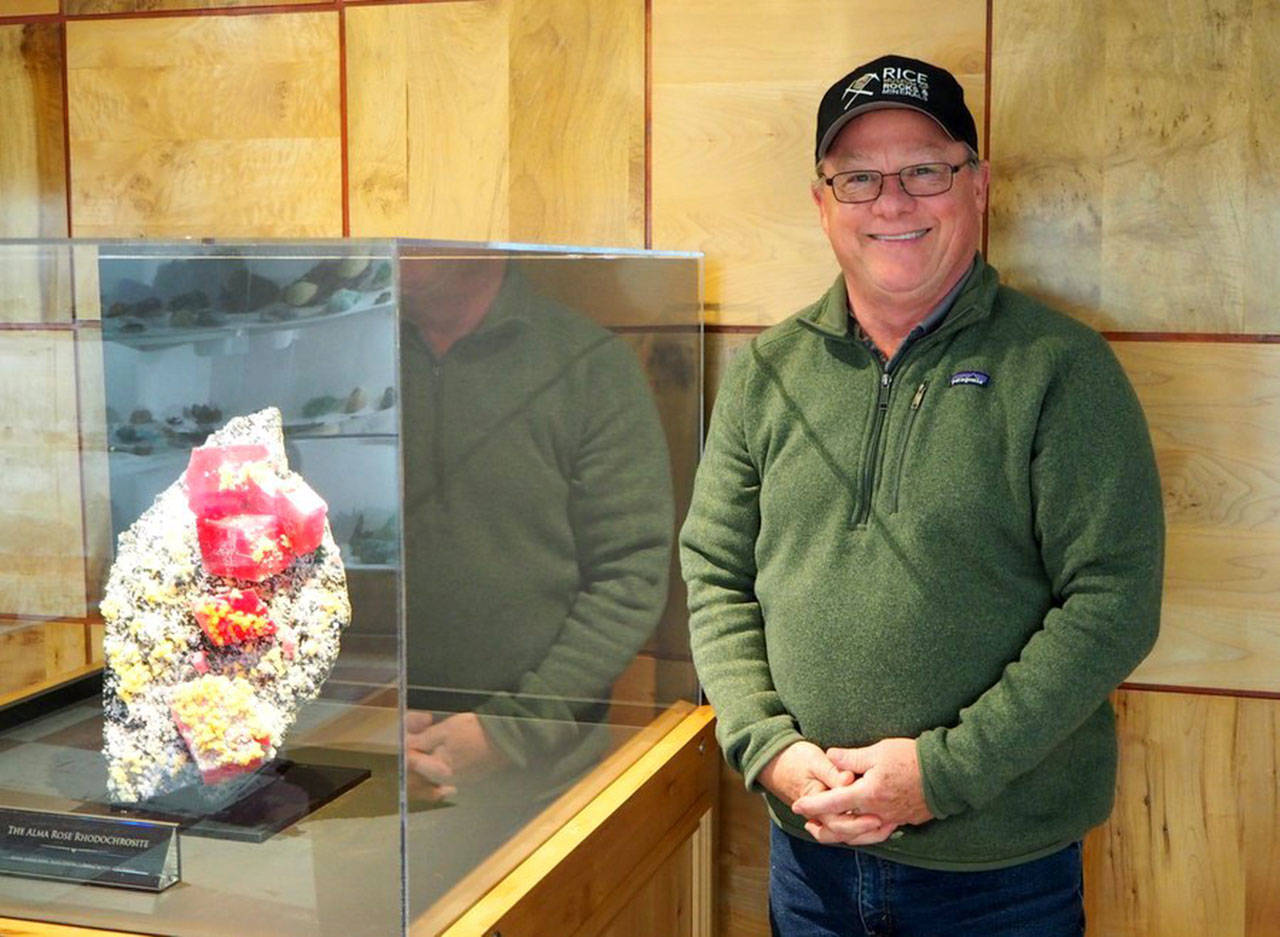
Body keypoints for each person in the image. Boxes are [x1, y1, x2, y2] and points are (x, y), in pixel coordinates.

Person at [679, 54, 1164, 936]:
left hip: (999, 879)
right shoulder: (766, 372)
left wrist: (941, 774)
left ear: (978, 186)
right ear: (822, 202)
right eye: (859, 178)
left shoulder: (1062, 369)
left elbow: (1113, 602)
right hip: (808, 862)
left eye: (924, 171)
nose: (892, 203)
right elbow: (714, 574)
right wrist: (769, 747)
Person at [397, 253, 675, 908]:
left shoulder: (587, 364)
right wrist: (357, 722)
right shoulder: (352, 347)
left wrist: (510, 730)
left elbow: (630, 575)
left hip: (540, 789)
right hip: (365, 772)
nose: (406, 247)